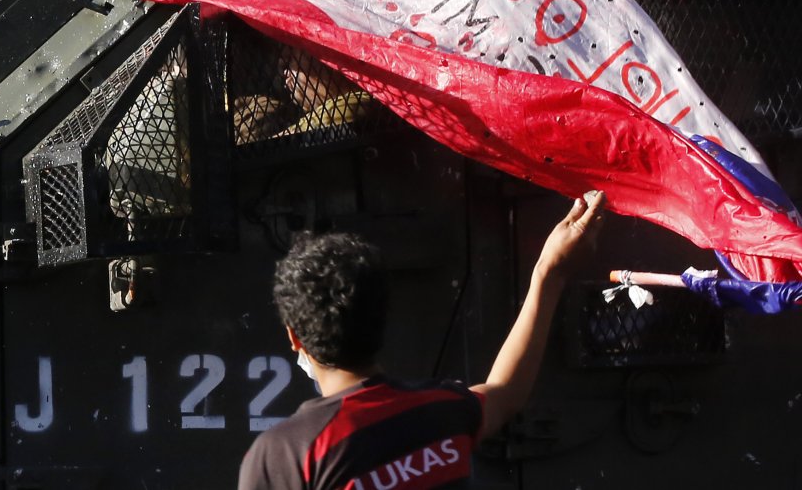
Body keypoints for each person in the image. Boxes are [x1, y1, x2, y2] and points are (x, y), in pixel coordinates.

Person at [238, 190, 606, 489]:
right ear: (382, 317)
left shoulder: (284, 455)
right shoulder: (441, 411)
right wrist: (549, 273)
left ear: (294, 337)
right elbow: (506, 392)